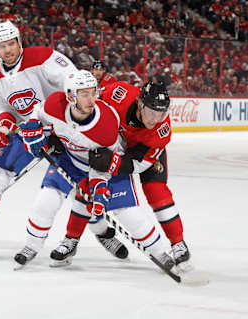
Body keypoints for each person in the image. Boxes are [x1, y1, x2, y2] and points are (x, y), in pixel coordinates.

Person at [0, 21, 127, 265]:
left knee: (85, 186)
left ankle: (102, 232)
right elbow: (6, 108)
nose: (8, 50)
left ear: (19, 42)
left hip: (63, 130)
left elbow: (75, 83)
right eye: (2, 46)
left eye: (11, 43)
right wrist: (3, 126)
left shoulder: (43, 57)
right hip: (29, 132)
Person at [19, 70, 175, 270]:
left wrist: (100, 183)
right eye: (84, 94)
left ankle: (159, 253)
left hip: (99, 165)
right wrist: (36, 129)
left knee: (126, 212)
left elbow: (110, 163)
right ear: (70, 96)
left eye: (93, 93)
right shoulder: (55, 104)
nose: (91, 99)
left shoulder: (107, 124)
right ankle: (34, 246)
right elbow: (39, 114)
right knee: (47, 200)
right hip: (68, 159)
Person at [88, 81, 193, 272]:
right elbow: (90, 106)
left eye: (161, 113)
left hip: (141, 154)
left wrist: (112, 162)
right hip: (115, 145)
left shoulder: (161, 130)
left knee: (156, 191)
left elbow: (137, 164)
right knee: (92, 191)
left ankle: (178, 243)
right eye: (152, 112)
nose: (156, 119)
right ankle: (101, 232)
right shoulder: (118, 93)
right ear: (139, 103)